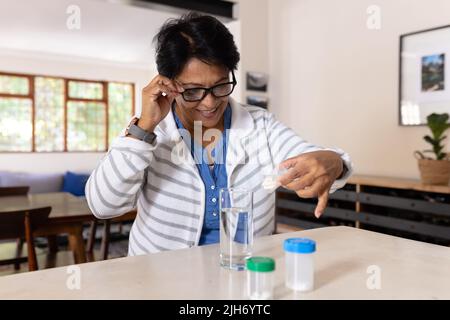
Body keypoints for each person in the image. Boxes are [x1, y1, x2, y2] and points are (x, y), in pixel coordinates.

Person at [85, 12, 353, 255]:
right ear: (168, 84)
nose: (210, 103)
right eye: (192, 91)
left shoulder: (259, 125)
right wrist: (143, 128)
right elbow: (103, 206)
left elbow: (310, 159)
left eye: (221, 85)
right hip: (159, 279)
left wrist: (333, 161)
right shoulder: (150, 132)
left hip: (242, 273)